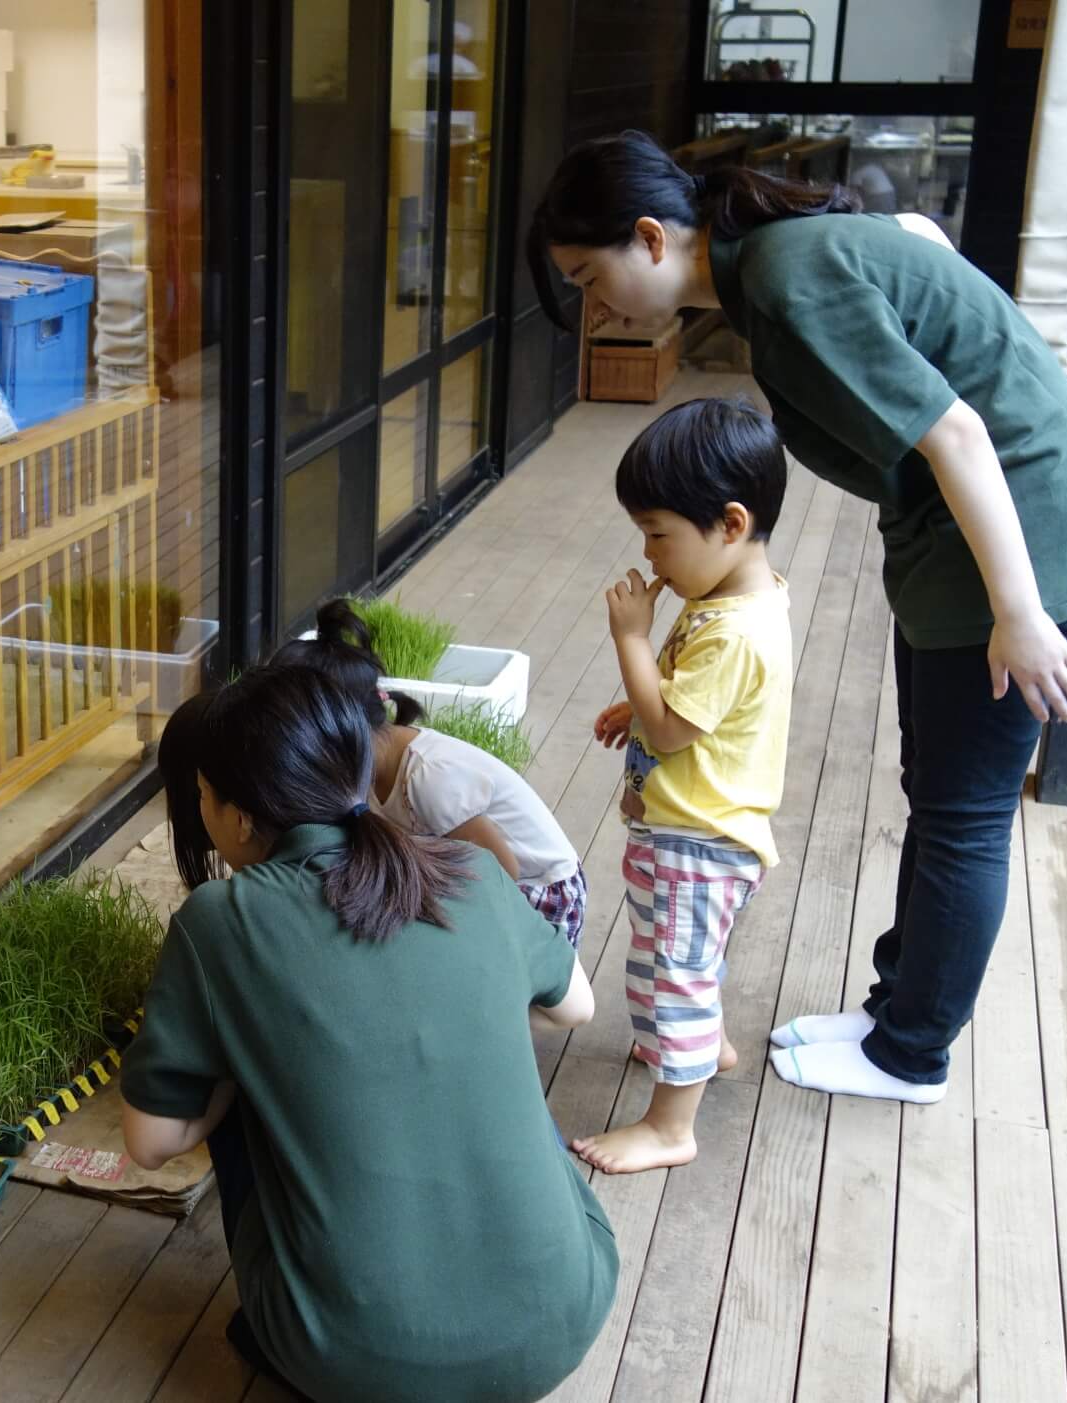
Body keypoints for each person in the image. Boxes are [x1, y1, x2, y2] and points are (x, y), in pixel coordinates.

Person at [528, 132, 1067, 1104]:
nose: (593, 304)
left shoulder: (782, 274)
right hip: (963, 540)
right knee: (939, 796)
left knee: (962, 815)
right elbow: (913, 238)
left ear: (648, 237)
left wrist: (1019, 609)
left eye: (588, 274)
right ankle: (891, 1010)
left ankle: (909, 1052)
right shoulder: (773, 259)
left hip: (1012, 541)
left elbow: (952, 428)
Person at [121, 666, 618, 1402]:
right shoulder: (473, 871)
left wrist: (247, 1063)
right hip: (565, 1316)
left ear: (239, 817)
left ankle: (281, 1326)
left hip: (347, 1359)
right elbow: (576, 1007)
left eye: (201, 793)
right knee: (487, 1056)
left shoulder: (221, 921)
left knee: (243, 1083)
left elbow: (151, 1142)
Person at [572, 399, 793, 1174]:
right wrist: (633, 699)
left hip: (695, 841)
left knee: (675, 970)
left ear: (731, 524)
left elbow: (671, 728)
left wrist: (630, 640)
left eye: (659, 533)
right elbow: (689, 706)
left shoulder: (734, 629)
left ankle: (672, 1124)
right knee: (682, 958)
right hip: (707, 833)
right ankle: (703, 1045)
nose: (649, 553)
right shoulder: (730, 600)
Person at [273, 599, 589, 946]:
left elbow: (501, 874)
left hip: (541, 892)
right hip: (472, 882)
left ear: (338, 729)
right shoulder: (372, 770)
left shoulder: (429, 777)